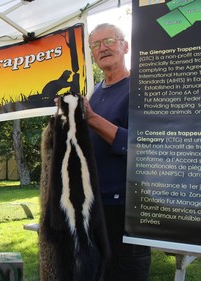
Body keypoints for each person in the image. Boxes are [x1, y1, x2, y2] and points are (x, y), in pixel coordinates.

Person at [83, 23, 151, 281]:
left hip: (126, 210)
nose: (103, 48)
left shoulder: (140, 88)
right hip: (94, 207)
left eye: (109, 40)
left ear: (125, 46)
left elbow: (140, 145)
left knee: (124, 272)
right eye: (96, 45)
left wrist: (91, 119)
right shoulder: (96, 92)